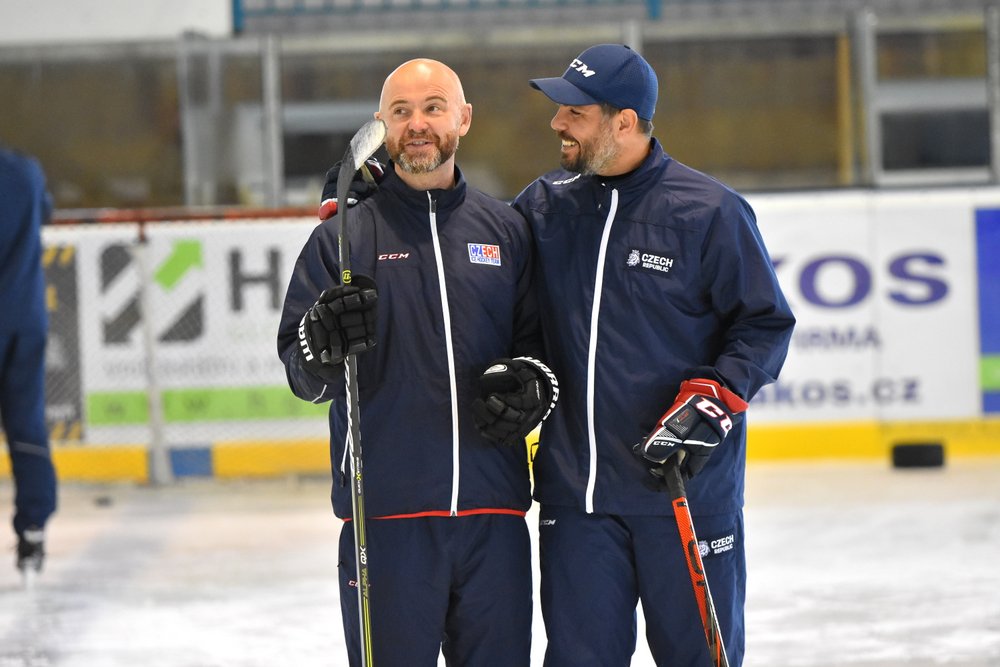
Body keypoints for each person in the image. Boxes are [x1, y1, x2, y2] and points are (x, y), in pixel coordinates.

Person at [513, 44, 795, 666]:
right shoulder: (542, 207)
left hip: (683, 496)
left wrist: (717, 399)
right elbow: (485, 282)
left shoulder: (709, 212)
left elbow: (764, 322)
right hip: (578, 501)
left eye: (574, 112)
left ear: (624, 122)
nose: (557, 122)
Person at [276, 59, 558, 667]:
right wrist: (318, 345)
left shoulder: (506, 231)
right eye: (401, 112)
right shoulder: (342, 240)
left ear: (464, 117)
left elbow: (537, 350)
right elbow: (302, 376)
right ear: (382, 127)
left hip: (495, 517)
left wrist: (531, 387)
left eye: (433, 107)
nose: (419, 124)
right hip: (386, 518)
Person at [0, 145, 58, 579]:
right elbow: (45, 213)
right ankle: (34, 529)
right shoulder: (25, 171)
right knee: (27, 425)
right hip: (25, 319)